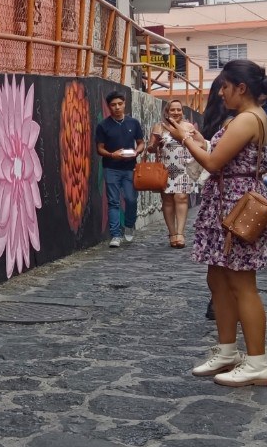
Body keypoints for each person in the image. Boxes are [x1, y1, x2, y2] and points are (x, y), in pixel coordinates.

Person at [160, 59, 267, 387]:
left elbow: (212, 162)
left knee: (242, 284)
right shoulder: (250, 118)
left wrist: (185, 139)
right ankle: (227, 350)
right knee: (219, 279)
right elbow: (219, 152)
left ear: (241, 88)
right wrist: (195, 137)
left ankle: (257, 362)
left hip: (235, 205)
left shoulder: (247, 119)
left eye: (225, 87)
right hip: (226, 202)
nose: (221, 93)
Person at [199, 76, 236, 321]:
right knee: (230, 253)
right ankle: (226, 303)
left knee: (217, 254)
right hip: (229, 191)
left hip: (215, 192)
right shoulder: (232, 122)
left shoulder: (212, 121)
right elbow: (213, 162)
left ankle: (219, 301)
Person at [148, 99, 207, 248]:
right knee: (167, 201)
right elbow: (150, 148)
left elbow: (202, 143)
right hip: (165, 169)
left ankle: (180, 234)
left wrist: (191, 143)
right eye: (172, 110)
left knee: (181, 198)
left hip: (184, 168)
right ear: (166, 112)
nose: (176, 112)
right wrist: (156, 144)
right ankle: (172, 233)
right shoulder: (159, 127)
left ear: (182, 111)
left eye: (178, 110)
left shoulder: (188, 127)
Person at [95, 91, 145, 248]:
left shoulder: (133, 123)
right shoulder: (103, 125)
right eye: (113, 105)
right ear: (109, 107)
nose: (117, 107)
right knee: (113, 202)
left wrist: (136, 152)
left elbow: (141, 142)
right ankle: (115, 235)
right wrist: (111, 154)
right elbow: (99, 148)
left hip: (130, 168)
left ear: (124, 104)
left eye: (119, 104)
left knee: (131, 199)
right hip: (111, 168)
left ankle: (129, 225)